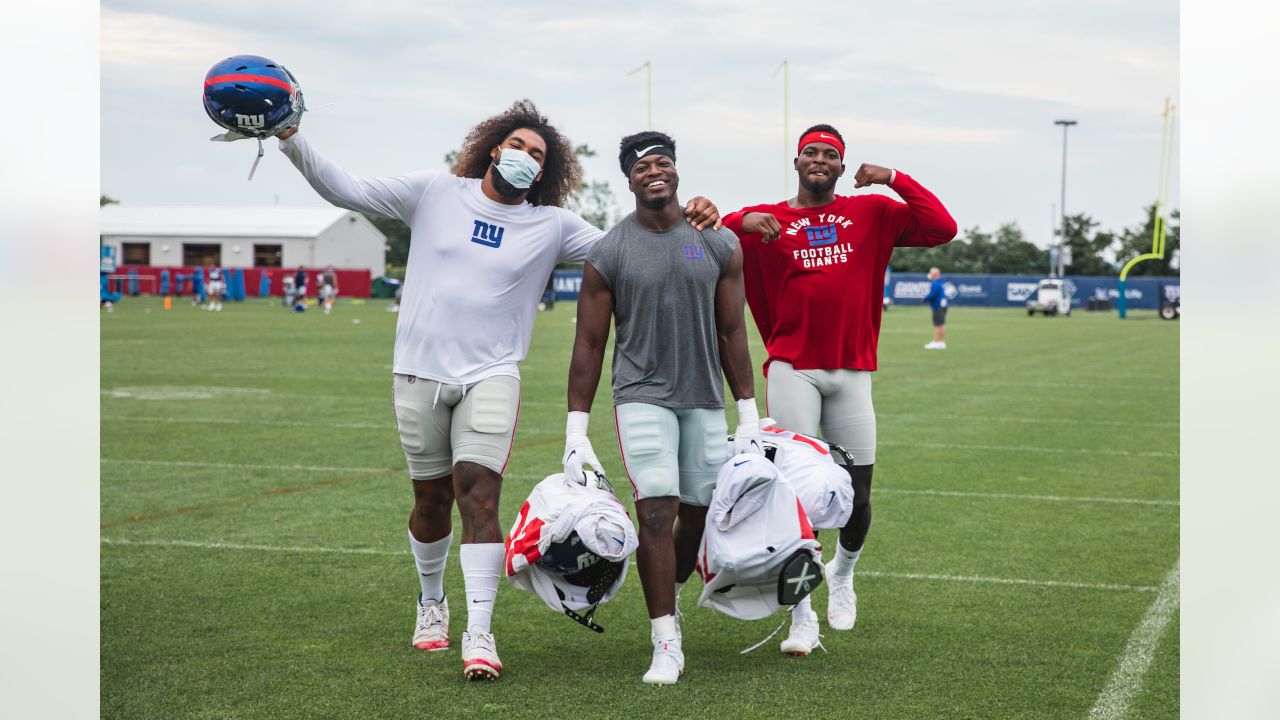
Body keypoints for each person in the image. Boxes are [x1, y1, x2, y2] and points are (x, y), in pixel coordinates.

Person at [274, 101, 720, 681]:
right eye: (518, 146)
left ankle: (479, 634)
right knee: (430, 502)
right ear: (494, 148)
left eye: (538, 155)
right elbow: (345, 189)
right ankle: (431, 600)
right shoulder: (433, 192)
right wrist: (290, 139)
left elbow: (635, 243)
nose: (525, 158)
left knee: (479, 500)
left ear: (545, 171)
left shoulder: (553, 225)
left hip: (493, 375)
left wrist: (696, 214)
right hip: (417, 373)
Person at [721, 124, 956, 642]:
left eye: (830, 153)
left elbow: (942, 228)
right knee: (793, 496)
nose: (820, 159)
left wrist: (893, 177)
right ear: (797, 161)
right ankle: (802, 617)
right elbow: (707, 236)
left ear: (843, 166)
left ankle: (843, 575)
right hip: (792, 367)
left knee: (858, 489)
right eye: (811, 152)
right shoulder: (770, 220)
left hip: (852, 370)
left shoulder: (871, 212)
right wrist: (741, 218)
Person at [564, 131, 762, 685]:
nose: (655, 171)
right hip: (641, 394)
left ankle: (668, 591)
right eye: (642, 166)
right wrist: (576, 430)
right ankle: (665, 640)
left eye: (663, 163)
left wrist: (748, 413)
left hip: (704, 396)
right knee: (656, 509)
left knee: (698, 510)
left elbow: (731, 332)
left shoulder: (717, 240)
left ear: (676, 172)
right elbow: (589, 343)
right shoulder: (609, 251)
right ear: (628, 179)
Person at [923, 267, 948, 349]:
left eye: (930, 272)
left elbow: (932, 295)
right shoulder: (940, 283)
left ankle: (936, 341)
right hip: (943, 306)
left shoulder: (935, 283)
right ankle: (941, 341)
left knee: (937, 324)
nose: (929, 274)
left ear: (934, 274)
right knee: (940, 324)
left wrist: (924, 298)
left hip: (937, 306)